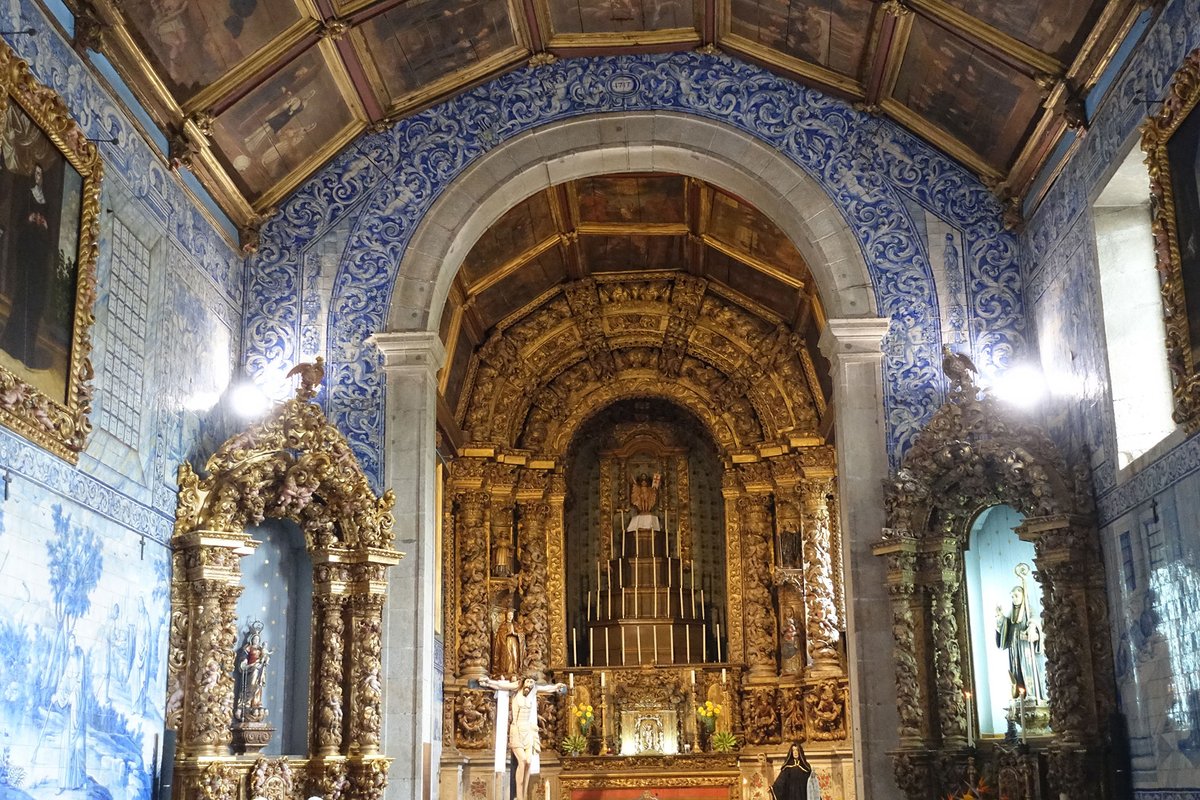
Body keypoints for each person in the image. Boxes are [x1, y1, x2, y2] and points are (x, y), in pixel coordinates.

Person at [1, 162, 55, 370]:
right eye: (37, 173)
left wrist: (43, 223)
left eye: (41, 174)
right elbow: (18, 220)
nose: (39, 177)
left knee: (34, 303)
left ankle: (27, 351)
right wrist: (30, 218)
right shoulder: (27, 194)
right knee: (23, 300)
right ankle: (12, 344)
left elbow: (48, 227)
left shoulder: (45, 199)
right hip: (27, 248)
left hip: (39, 253)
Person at [479, 674, 567, 800]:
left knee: (529, 762)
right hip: (517, 730)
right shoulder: (516, 689)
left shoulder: (534, 689)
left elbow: (547, 688)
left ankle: (524, 795)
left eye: (532, 682)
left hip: (528, 731)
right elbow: (501, 685)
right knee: (523, 760)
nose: (530, 684)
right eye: (528, 681)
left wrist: (556, 687)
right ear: (524, 681)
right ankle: (518, 796)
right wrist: (488, 682)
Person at [995, 585, 1044, 701]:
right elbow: (1004, 627)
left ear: (1023, 596)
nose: (1014, 599)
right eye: (1012, 597)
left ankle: (1032, 693)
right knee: (1016, 669)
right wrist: (1000, 617)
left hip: (1026, 647)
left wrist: (1032, 627)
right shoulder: (1011, 613)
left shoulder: (1029, 609)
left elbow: (1036, 620)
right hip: (1014, 647)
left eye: (1016, 596)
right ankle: (1020, 694)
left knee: (1027, 667)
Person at [492, 608, 524, 679]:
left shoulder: (516, 625)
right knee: (508, 656)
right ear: (506, 615)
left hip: (515, 642)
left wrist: (516, 634)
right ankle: (506, 671)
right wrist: (507, 634)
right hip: (506, 643)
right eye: (509, 615)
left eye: (511, 615)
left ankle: (515, 671)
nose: (510, 616)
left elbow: (521, 634)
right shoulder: (503, 625)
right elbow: (500, 636)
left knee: (514, 656)